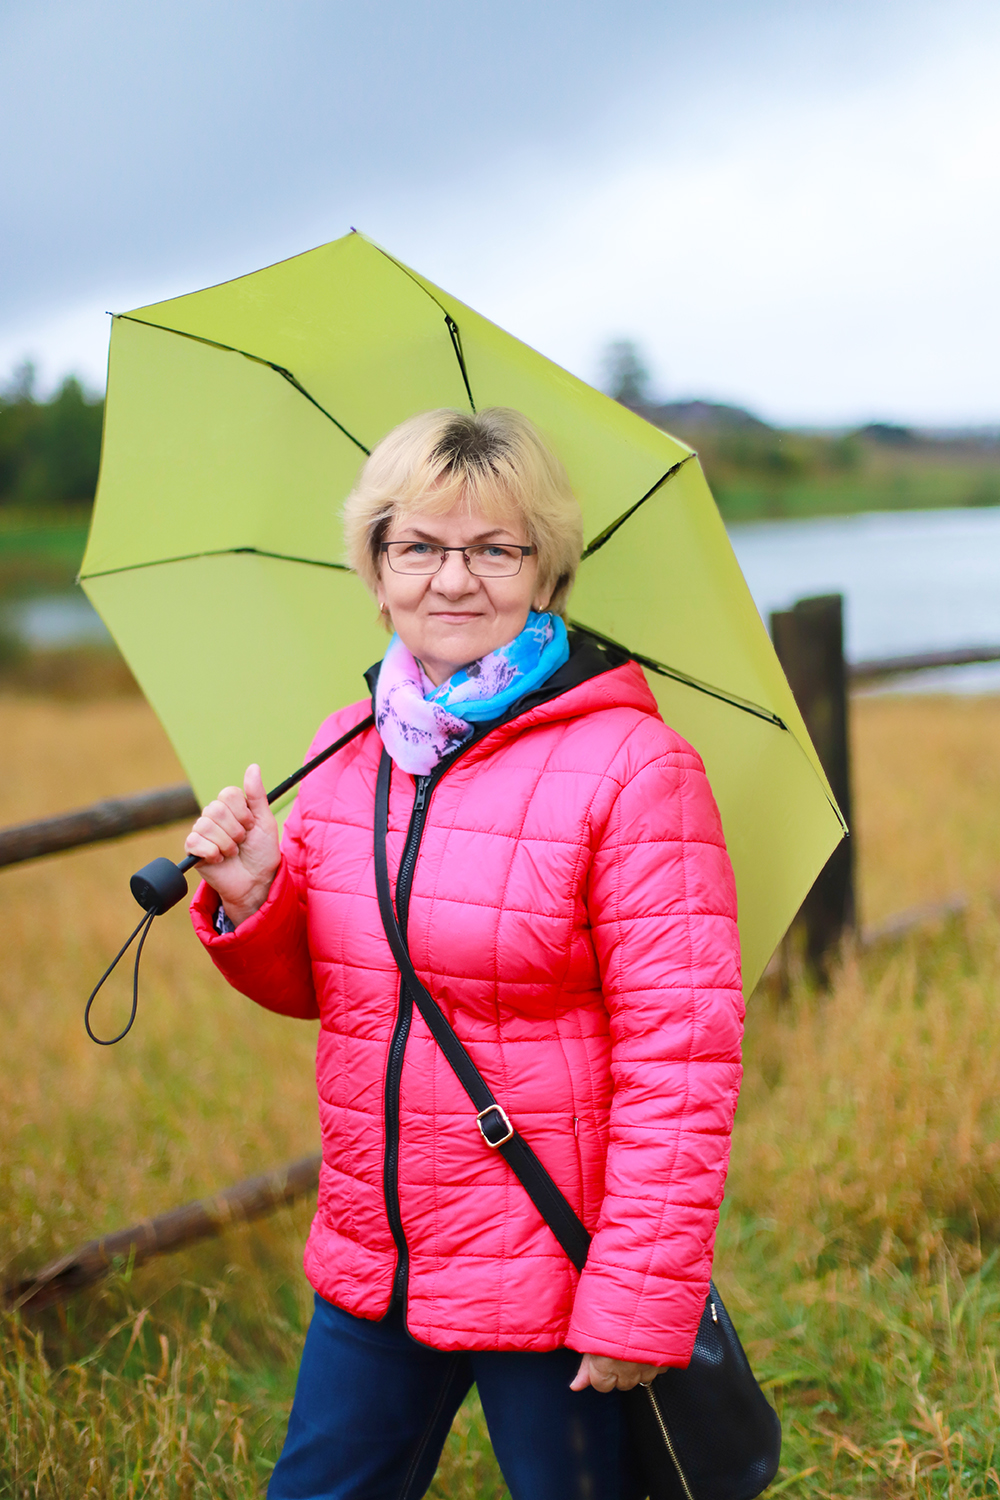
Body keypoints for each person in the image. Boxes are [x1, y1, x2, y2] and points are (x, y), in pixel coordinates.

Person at [185, 407, 744, 1500]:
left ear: (546, 569)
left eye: (495, 549)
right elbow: (341, 993)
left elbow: (683, 1057)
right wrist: (254, 895)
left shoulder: (635, 766)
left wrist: (636, 1300)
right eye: (420, 547)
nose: (454, 580)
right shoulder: (346, 753)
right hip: (375, 1260)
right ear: (376, 565)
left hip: (554, 1266)